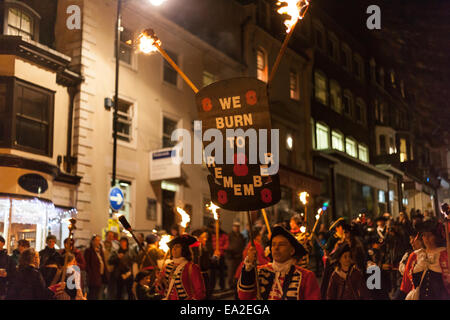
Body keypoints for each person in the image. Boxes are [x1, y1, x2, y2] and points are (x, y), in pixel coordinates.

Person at [237, 225, 320, 300]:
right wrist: (249, 267)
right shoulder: (259, 271)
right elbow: (244, 296)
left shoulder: (307, 276)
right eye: (273, 244)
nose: (276, 248)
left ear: (292, 251)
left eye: (281, 244)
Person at [401, 220, 450, 299]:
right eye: (424, 235)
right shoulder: (415, 256)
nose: (426, 238)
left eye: (430, 235)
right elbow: (406, 285)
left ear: (437, 237)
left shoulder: (445, 254)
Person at [157, 234, 206, 300]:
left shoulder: (192, 268)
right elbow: (162, 291)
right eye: (173, 247)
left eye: (177, 246)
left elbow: (200, 291)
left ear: (184, 249)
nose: (174, 248)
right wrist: (160, 283)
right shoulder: (166, 267)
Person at [84, 235, 108, 300]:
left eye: (99, 240)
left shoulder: (100, 251)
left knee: (98, 294)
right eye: (96, 240)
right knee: (92, 294)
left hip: (100, 275)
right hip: (93, 276)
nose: (97, 242)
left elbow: (103, 262)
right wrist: (90, 273)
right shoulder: (88, 251)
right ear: (92, 241)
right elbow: (87, 264)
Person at [226, 222, 246, 291]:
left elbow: (243, 244)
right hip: (231, 256)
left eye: (238, 226)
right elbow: (227, 245)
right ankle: (230, 285)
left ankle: (236, 284)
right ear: (233, 227)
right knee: (231, 271)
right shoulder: (229, 235)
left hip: (239, 256)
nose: (236, 228)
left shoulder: (241, 236)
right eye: (235, 226)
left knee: (238, 271)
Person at [209, 223, 229, 292]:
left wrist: (220, 249)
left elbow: (226, 243)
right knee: (213, 272)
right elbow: (209, 243)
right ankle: (211, 287)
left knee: (221, 271)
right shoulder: (211, 234)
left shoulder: (223, 234)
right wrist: (213, 251)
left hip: (221, 254)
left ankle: (222, 286)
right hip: (213, 255)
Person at [103, 230, 119, 299]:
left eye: (112, 236)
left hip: (112, 270)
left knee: (111, 289)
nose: (110, 237)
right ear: (106, 236)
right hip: (103, 270)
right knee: (102, 288)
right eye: (109, 236)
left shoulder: (116, 246)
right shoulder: (101, 244)